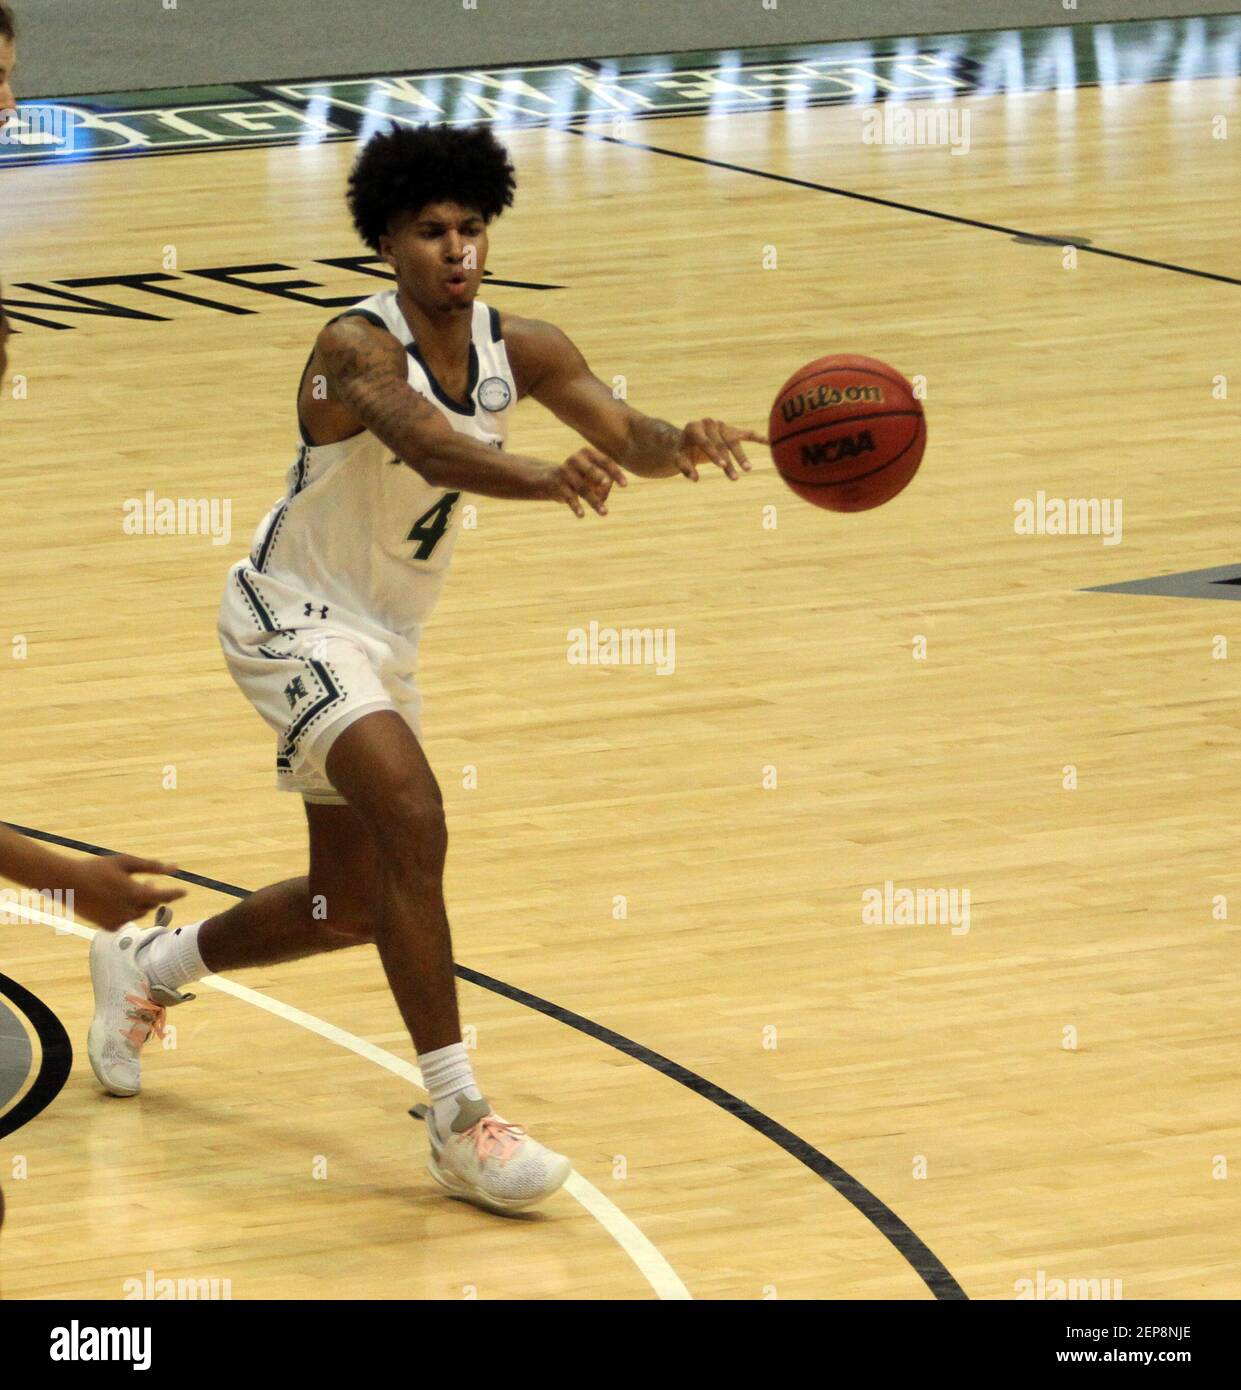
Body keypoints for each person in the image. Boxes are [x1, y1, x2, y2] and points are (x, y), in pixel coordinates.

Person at [87, 121, 766, 1215]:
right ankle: (456, 1118)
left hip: (381, 640)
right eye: (429, 231)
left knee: (345, 907)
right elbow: (429, 445)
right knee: (414, 815)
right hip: (285, 617)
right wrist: (546, 477)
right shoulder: (352, 348)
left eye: (470, 228)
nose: (455, 250)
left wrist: (681, 439)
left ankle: (146, 967)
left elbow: (623, 429)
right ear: (387, 243)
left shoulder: (524, 348)